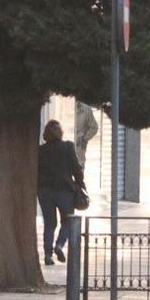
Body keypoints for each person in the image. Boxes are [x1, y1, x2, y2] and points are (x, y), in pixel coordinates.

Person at [37, 120, 84, 266]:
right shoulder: (68, 147)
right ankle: (59, 245)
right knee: (68, 221)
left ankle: (48, 255)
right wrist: (80, 183)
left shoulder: (40, 150)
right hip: (65, 191)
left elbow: (36, 171)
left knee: (49, 224)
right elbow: (77, 169)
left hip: (45, 192)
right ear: (60, 133)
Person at [73, 102, 99, 168]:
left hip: (79, 148)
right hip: (64, 147)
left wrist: (85, 138)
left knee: (79, 169)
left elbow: (94, 127)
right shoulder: (62, 103)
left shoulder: (86, 109)